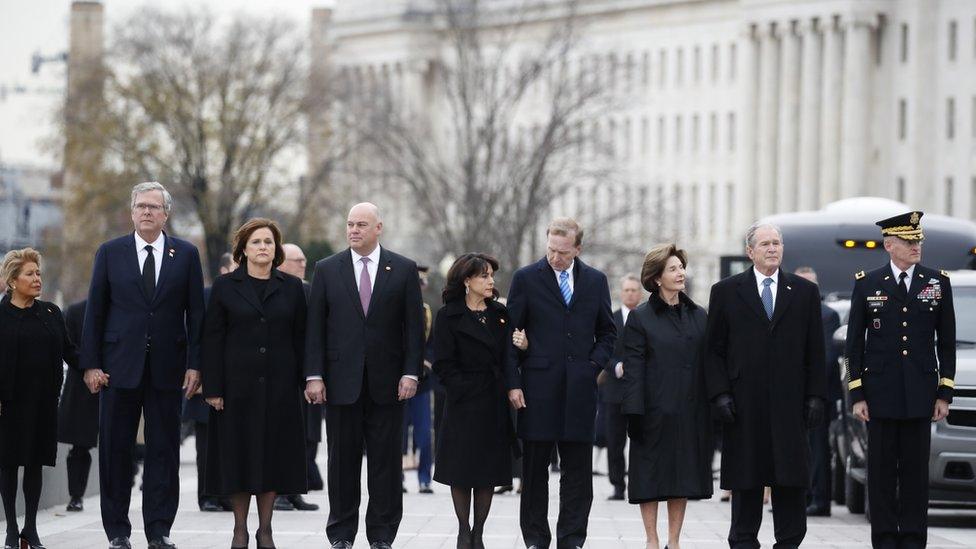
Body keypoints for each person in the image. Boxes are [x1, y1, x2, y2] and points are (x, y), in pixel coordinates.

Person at [80, 181, 205, 549]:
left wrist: (196, 364)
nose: (146, 212)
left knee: (164, 450)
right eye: (140, 206)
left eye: (153, 206)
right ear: (131, 211)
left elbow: (196, 314)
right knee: (116, 449)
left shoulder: (185, 254)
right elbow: (96, 311)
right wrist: (90, 364)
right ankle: (117, 530)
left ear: (166, 213)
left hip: (169, 367)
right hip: (118, 367)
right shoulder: (110, 252)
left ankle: (159, 530)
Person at [304, 202, 425, 549]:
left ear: (378, 228)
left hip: (389, 385)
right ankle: (341, 534)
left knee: (386, 464)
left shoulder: (402, 269)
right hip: (341, 383)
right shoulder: (327, 269)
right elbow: (315, 329)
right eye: (350, 224)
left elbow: (413, 329)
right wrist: (314, 375)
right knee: (341, 463)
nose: (354, 230)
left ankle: (382, 535)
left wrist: (411, 373)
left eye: (361, 225)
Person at [704, 222, 826, 549]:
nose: (772, 249)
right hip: (744, 408)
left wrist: (816, 396)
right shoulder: (726, 292)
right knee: (746, 484)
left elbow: (816, 349)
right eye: (765, 244)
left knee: (790, 484)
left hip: (790, 408)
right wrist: (719, 394)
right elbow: (713, 350)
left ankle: (787, 542)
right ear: (750, 252)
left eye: (776, 243)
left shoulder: (804, 292)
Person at [846, 211, 955, 549]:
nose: (916, 246)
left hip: (920, 395)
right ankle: (884, 539)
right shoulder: (867, 282)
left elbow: (947, 342)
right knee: (880, 474)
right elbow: (854, 344)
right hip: (879, 396)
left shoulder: (937, 282)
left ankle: (911, 539)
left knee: (914, 475)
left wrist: (944, 393)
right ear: (889, 245)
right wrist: (858, 394)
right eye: (909, 241)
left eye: (918, 240)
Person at [506, 217, 616, 549]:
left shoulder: (596, 281)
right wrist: (514, 383)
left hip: (580, 391)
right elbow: (511, 336)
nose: (555, 257)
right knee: (535, 472)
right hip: (537, 389)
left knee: (578, 475)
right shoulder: (526, 279)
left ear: (577, 249)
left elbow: (608, 332)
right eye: (551, 249)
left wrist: (592, 365)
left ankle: (572, 539)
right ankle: (536, 539)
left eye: (563, 252)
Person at [202, 218, 308, 549]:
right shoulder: (225, 287)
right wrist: (214, 388)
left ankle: (265, 529)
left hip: (280, 388)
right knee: (237, 456)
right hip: (236, 389)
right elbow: (212, 339)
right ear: (243, 249)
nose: (263, 247)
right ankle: (239, 529)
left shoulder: (291, 287)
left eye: (269, 242)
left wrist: (307, 381)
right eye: (256, 242)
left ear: (276, 250)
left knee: (272, 457)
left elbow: (302, 338)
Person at [621, 245, 712, 549]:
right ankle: (652, 539)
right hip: (653, 411)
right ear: (657, 277)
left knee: (681, 477)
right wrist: (633, 412)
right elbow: (633, 368)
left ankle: (674, 541)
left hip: (689, 410)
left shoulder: (699, 315)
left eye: (681, 267)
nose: (680, 273)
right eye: (673, 269)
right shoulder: (641, 318)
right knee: (649, 477)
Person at [432, 254, 517, 549]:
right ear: (467, 281)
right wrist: (463, 388)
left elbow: (509, 356)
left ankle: (478, 532)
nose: (490, 281)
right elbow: (442, 363)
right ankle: (463, 530)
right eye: (484, 276)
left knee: (487, 470)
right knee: (461, 467)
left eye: (491, 275)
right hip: (462, 403)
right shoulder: (448, 316)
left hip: (493, 402)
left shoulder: (500, 314)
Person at [0, 248, 78, 549]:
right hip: (8, 404)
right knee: (7, 464)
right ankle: (10, 530)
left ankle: (30, 529)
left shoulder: (50, 313)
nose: (37, 279)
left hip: (43, 403)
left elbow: (70, 351)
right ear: (13, 280)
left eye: (38, 273)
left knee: (35, 463)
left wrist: (95, 369)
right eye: (30, 274)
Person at [183, 252, 236, 513]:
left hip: (235, 383)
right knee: (206, 445)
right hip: (206, 382)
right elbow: (195, 338)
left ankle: (225, 494)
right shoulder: (206, 295)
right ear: (224, 270)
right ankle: (207, 496)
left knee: (229, 444)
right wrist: (199, 375)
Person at [273, 242, 320, 512]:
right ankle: (278, 491)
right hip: (283, 376)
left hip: (309, 375)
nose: (303, 264)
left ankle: (295, 491)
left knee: (308, 436)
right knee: (284, 436)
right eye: (296, 260)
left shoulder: (310, 289)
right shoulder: (277, 289)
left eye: (304, 259)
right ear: (281, 263)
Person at [793, 266, 841, 517]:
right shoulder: (790, 312)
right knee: (800, 449)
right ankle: (803, 497)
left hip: (818, 396)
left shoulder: (827, 315)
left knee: (818, 449)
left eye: (810, 284)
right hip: (793, 395)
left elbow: (826, 358)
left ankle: (820, 500)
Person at [57, 297, 99, 513]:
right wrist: (90, 367)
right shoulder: (74, 311)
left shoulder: (125, 307)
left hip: (119, 382)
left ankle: (124, 488)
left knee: (122, 446)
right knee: (79, 447)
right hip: (81, 385)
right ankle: (76, 496)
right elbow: (68, 347)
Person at [602, 274, 641, 501]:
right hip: (615, 390)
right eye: (626, 290)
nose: (630, 294)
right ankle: (618, 485)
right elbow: (602, 348)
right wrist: (616, 366)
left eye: (634, 290)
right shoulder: (611, 318)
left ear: (640, 292)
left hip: (639, 390)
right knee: (614, 441)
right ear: (621, 292)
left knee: (639, 441)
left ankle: (637, 484)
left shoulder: (647, 317)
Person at [403, 264, 435, 495]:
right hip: (398, 381)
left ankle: (424, 477)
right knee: (399, 433)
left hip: (422, 382)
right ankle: (398, 477)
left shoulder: (426, 311)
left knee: (424, 434)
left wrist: (426, 362)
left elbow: (433, 343)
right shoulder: (396, 309)